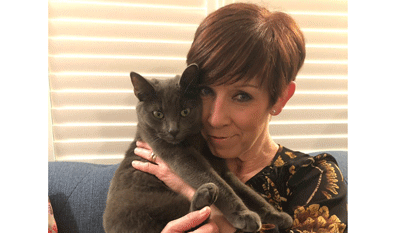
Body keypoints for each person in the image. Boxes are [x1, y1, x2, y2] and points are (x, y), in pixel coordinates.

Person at [132, 3, 347, 233]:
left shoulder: (314, 178)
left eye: (242, 96)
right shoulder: (158, 165)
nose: (215, 119)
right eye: (205, 91)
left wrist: (194, 193)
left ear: (280, 99)